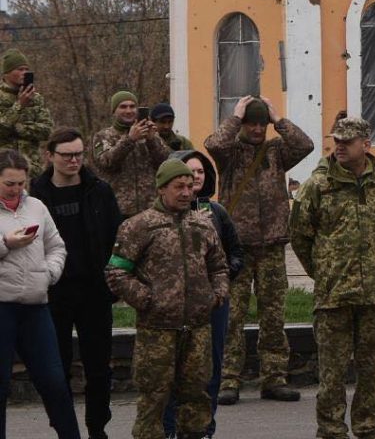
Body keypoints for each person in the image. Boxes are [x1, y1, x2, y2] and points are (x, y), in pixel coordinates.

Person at [289, 115, 375, 439]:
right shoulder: (317, 186)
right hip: (333, 296)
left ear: (365, 145)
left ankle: (369, 430)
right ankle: (331, 431)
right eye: (336, 140)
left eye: (347, 141)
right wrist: (323, 270)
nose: (339, 146)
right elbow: (299, 235)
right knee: (332, 375)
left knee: (372, 373)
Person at [106, 159, 229, 439]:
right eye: (178, 187)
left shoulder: (203, 225)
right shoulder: (139, 226)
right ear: (162, 189)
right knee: (155, 399)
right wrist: (147, 299)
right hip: (157, 331)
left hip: (198, 328)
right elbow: (116, 272)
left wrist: (217, 294)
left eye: (189, 186)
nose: (186, 193)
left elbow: (219, 267)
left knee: (196, 395)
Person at [205, 95, 313, 405]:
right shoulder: (231, 153)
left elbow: (305, 145)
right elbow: (214, 144)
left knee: (273, 316)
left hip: (272, 246)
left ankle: (274, 378)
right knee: (232, 317)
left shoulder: (277, 151)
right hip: (237, 248)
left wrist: (278, 118)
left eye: (260, 123)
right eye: (252, 123)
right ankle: (228, 379)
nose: (257, 129)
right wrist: (235, 116)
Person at [30, 128, 121, 439]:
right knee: (57, 370)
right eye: (66, 154)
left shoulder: (100, 191)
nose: (73, 160)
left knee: (99, 369)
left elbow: (116, 238)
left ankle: (98, 429)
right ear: (50, 156)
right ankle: (66, 431)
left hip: (95, 291)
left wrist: (114, 280)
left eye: (78, 154)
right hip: (52, 292)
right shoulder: (35, 195)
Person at [162, 148, 244, 439]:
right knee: (173, 371)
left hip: (213, 304)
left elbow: (236, 254)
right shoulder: (158, 216)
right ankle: (169, 429)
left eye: (199, 172)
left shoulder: (216, 212)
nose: (194, 177)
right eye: (188, 172)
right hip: (174, 306)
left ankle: (205, 429)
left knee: (210, 369)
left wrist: (219, 281)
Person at [0, 148, 79, 439]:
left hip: (35, 307)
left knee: (54, 381)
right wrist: (6, 243)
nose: (17, 190)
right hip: (1, 308)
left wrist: (49, 274)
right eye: (9, 184)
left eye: (21, 183)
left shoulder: (36, 207)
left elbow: (57, 247)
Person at [92, 91, 170, 217]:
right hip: (118, 209)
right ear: (114, 111)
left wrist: (152, 140)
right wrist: (130, 139)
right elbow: (106, 163)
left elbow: (165, 164)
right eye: (123, 107)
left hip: (150, 209)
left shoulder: (150, 134)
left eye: (132, 106)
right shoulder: (103, 136)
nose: (128, 111)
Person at [0, 49, 54, 177]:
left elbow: (47, 131)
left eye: (26, 69)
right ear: (7, 73)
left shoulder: (36, 98)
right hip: (4, 169)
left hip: (32, 169)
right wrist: (19, 105)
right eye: (19, 69)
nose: (24, 73)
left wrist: (19, 128)